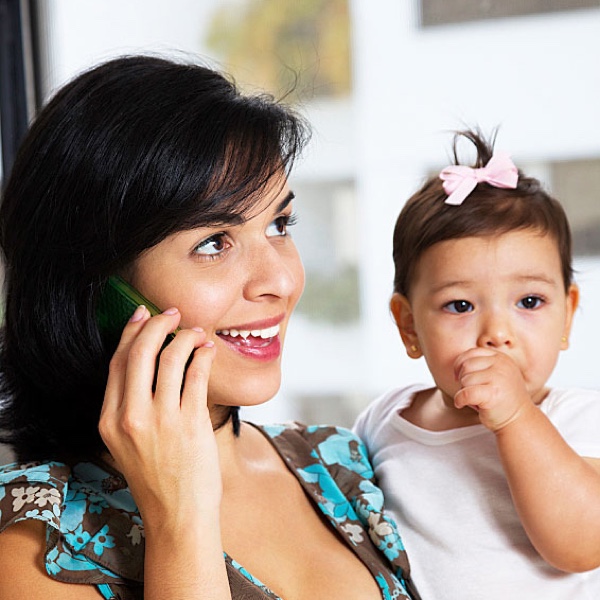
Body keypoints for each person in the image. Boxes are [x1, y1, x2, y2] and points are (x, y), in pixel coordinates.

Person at [0, 55, 420, 600]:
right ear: (98, 291)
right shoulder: (35, 544)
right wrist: (180, 518)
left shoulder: (341, 465)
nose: (280, 280)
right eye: (213, 243)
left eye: (279, 224)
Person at [354, 129, 600, 599]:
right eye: (460, 306)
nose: (496, 333)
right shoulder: (385, 419)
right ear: (409, 326)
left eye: (529, 301)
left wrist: (516, 419)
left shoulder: (579, 419)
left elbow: (584, 544)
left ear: (567, 314)